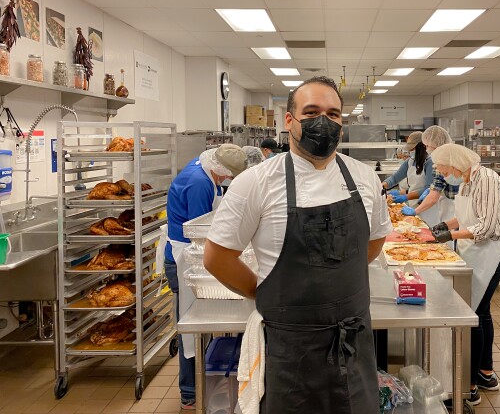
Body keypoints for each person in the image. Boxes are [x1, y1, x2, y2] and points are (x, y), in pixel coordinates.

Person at [203, 76, 393, 413]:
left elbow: (375, 241)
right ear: (289, 120)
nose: (325, 121)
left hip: (354, 346)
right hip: (290, 353)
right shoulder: (255, 183)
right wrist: (266, 293)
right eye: (312, 111)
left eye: (334, 114)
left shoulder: (364, 178)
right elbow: (217, 257)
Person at [429, 143, 500, 407]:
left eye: (442, 169)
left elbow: (486, 226)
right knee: (482, 312)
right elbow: (465, 217)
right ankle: (486, 373)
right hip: (475, 252)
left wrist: (448, 236)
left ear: (455, 163)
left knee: (472, 314)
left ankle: (468, 387)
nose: (442, 174)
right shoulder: (467, 180)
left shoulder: (487, 179)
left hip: (491, 252)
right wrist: (444, 225)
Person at [163, 144, 247, 410]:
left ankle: (201, 383)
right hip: (185, 259)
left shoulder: (201, 168)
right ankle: (190, 392)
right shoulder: (199, 183)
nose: (225, 181)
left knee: (198, 327)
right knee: (192, 327)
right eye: (226, 176)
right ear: (219, 169)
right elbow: (202, 231)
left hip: (189, 257)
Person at [402, 125, 456, 225]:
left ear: (435, 144)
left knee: (448, 235)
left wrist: (415, 211)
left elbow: (433, 197)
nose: (426, 149)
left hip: (451, 208)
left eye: (427, 146)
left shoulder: (442, 161)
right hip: (450, 206)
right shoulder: (449, 155)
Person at [382, 131, 433, 209]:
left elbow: (428, 189)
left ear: (421, 146)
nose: (410, 151)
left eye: (412, 148)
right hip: (413, 204)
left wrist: (406, 196)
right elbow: (394, 178)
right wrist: (381, 186)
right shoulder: (410, 161)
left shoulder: (430, 162)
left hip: (427, 205)